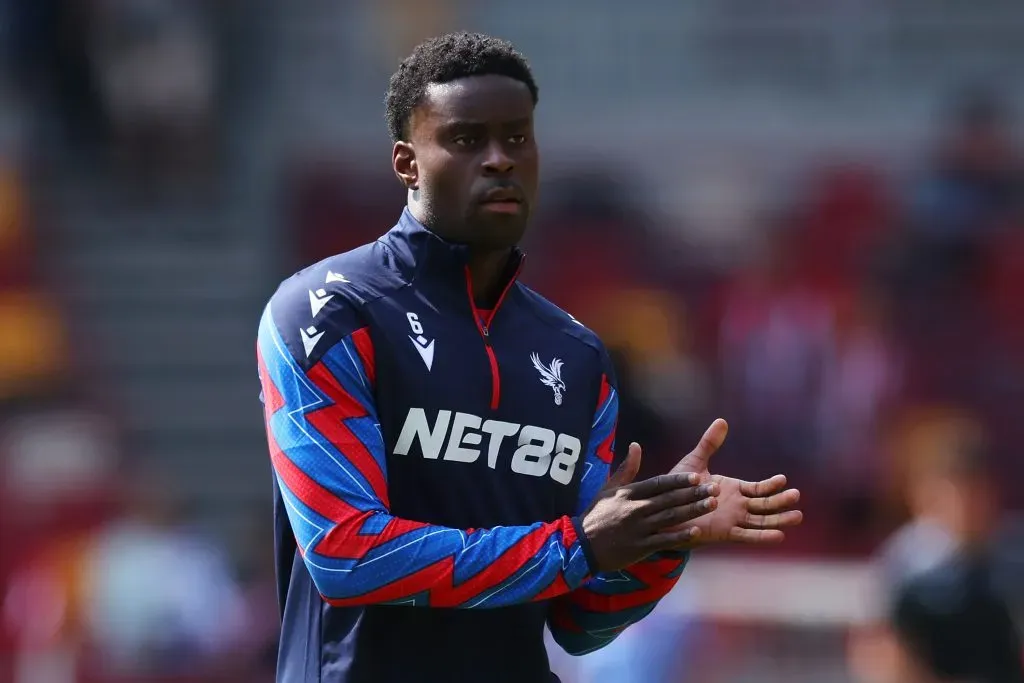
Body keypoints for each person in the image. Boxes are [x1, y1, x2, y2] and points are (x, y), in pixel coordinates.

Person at [256, 32, 803, 683]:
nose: (499, 160)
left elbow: (578, 621)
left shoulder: (577, 356)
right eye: (466, 139)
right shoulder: (328, 313)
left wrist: (659, 536)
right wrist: (578, 545)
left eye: (517, 138)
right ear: (407, 163)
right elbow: (345, 554)